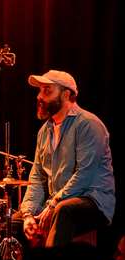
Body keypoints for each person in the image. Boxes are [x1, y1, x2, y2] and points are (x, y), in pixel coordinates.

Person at [19, 70, 115, 248]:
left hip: (92, 201)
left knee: (64, 211)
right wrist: (28, 215)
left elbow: (84, 174)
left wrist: (54, 202)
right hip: (60, 201)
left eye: (47, 91)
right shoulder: (44, 131)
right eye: (39, 91)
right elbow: (37, 176)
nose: (40, 96)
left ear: (66, 94)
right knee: (15, 220)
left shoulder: (88, 124)